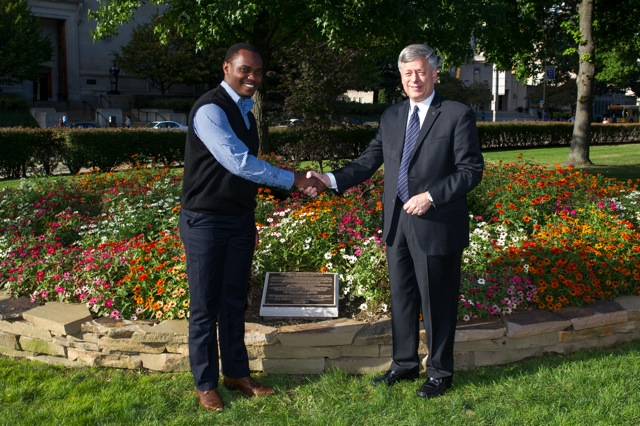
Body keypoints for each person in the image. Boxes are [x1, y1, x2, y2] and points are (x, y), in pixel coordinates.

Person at [306, 43, 484, 399]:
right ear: (401, 79)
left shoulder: (456, 115)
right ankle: (403, 364)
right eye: (407, 74)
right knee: (402, 298)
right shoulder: (391, 117)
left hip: (436, 224)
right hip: (396, 224)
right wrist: (330, 179)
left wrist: (432, 195)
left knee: (437, 301)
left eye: (420, 72)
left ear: (434, 74)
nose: (414, 79)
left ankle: (439, 372)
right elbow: (369, 160)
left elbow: (471, 171)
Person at [179, 43, 324, 412]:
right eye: (245, 70)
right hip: (205, 222)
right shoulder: (210, 109)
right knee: (204, 306)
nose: (252, 78)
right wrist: (293, 179)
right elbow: (238, 162)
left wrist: (278, 196)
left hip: (239, 221)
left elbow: (245, 175)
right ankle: (206, 383)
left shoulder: (247, 113)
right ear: (227, 67)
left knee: (232, 302)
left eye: (258, 72)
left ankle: (236, 374)